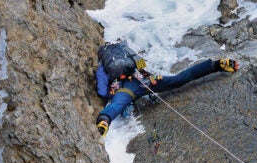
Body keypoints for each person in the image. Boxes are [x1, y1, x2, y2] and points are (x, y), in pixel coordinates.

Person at [96, 55, 239, 135]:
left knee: (118, 105)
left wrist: (111, 92)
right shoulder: (126, 53)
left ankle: (104, 120)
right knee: (178, 79)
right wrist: (149, 76)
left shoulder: (103, 66)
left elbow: (102, 90)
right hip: (145, 79)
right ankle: (216, 65)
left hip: (126, 88)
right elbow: (141, 62)